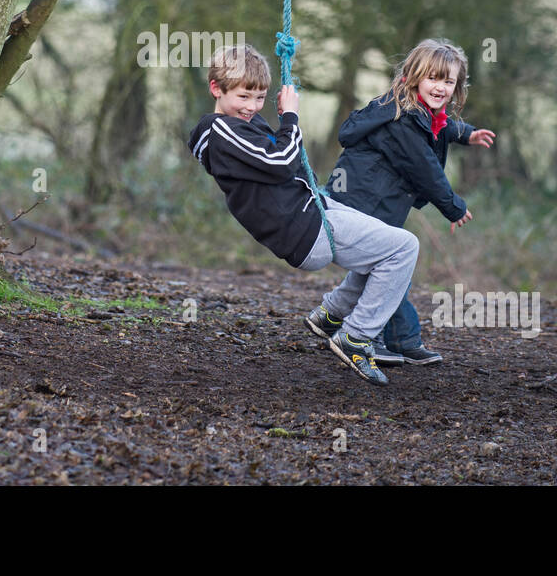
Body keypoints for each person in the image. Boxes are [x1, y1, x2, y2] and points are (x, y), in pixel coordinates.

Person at [187, 44, 421, 385]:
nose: (251, 107)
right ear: (215, 89)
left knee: (386, 247)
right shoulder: (221, 130)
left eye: (259, 98)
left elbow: (282, 159)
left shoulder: (238, 128)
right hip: (305, 227)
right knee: (404, 249)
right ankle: (355, 336)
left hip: (315, 210)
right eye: (243, 96)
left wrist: (284, 125)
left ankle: (331, 315)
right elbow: (281, 162)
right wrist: (290, 117)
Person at [317, 38, 495, 366]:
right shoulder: (402, 120)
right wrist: (452, 206)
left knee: (381, 267)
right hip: (364, 202)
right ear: (414, 77)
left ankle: (331, 317)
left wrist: (466, 133)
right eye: (433, 78)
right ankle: (389, 338)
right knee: (392, 265)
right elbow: (425, 169)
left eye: (448, 81)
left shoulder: (411, 109)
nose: (441, 87)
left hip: (377, 201)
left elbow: (440, 127)